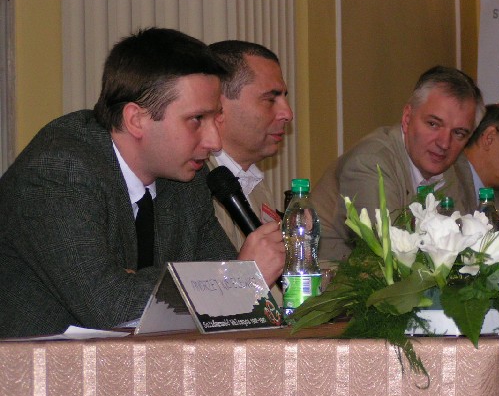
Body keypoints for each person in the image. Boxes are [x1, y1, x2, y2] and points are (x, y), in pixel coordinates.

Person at [0, 28, 285, 338]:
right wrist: (234, 280)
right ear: (136, 119)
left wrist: (215, 280)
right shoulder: (60, 172)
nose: (214, 142)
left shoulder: (187, 180)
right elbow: (110, 307)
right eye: (196, 120)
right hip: (35, 364)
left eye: (215, 118)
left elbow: (218, 283)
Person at [312, 66, 485, 260]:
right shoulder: (370, 163)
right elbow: (391, 254)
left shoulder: (451, 168)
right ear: (407, 118)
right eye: (433, 124)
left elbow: (461, 245)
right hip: (332, 273)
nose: (444, 143)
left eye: (459, 133)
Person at [207, 40, 293, 250]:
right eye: (270, 99)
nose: (288, 114)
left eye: (284, 98)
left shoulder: (253, 182)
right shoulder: (189, 185)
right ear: (218, 105)